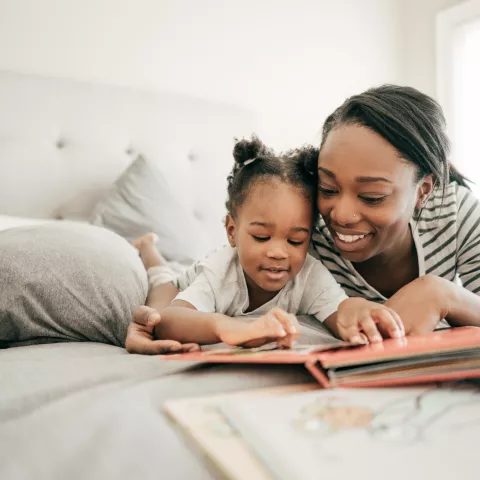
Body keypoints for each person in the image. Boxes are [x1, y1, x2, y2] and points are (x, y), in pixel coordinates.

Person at [127, 85, 480, 355]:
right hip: (191, 273)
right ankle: (148, 249)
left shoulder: (459, 216)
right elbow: (207, 291)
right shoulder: (302, 231)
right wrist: (155, 319)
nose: (340, 215)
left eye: (372, 196)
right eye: (327, 187)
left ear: (423, 191)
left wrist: (442, 293)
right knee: (168, 272)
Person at [126, 136, 403, 354]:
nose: (278, 252)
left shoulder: (309, 274)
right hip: (182, 282)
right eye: (261, 237)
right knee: (161, 284)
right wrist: (227, 327)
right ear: (232, 231)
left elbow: (339, 310)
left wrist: (358, 310)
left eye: (295, 240)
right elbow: (172, 320)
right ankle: (148, 247)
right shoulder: (220, 271)